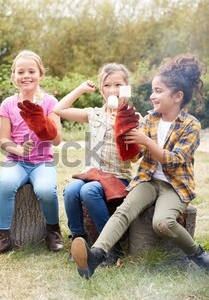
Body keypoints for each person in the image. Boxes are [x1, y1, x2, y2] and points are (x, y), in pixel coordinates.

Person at [71, 54, 209, 279]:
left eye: (158, 91)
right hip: (148, 179)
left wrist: (146, 141)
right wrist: (123, 129)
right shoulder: (148, 120)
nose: (152, 96)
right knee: (124, 210)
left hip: (175, 185)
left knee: (162, 223)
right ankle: (96, 255)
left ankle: (197, 254)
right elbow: (135, 156)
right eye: (153, 90)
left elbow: (174, 160)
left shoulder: (191, 125)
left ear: (177, 96)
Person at [0, 50, 63, 258]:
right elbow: (3, 141)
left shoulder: (50, 102)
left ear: (40, 74)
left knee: (46, 190)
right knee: (5, 185)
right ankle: (2, 237)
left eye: (31, 71)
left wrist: (43, 126)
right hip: (16, 161)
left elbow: (57, 140)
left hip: (42, 162)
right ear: (14, 77)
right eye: (20, 72)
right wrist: (17, 149)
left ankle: (53, 231)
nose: (26, 75)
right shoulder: (8, 104)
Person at [53, 63, 135, 265]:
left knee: (89, 191)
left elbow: (134, 159)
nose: (113, 90)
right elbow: (58, 109)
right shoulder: (94, 114)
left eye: (118, 85)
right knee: (72, 190)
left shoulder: (133, 118)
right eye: (107, 85)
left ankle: (111, 247)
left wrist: (125, 128)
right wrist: (81, 89)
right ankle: (79, 240)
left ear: (126, 88)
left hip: (117, 177)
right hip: (92, 173)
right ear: (101, 90)